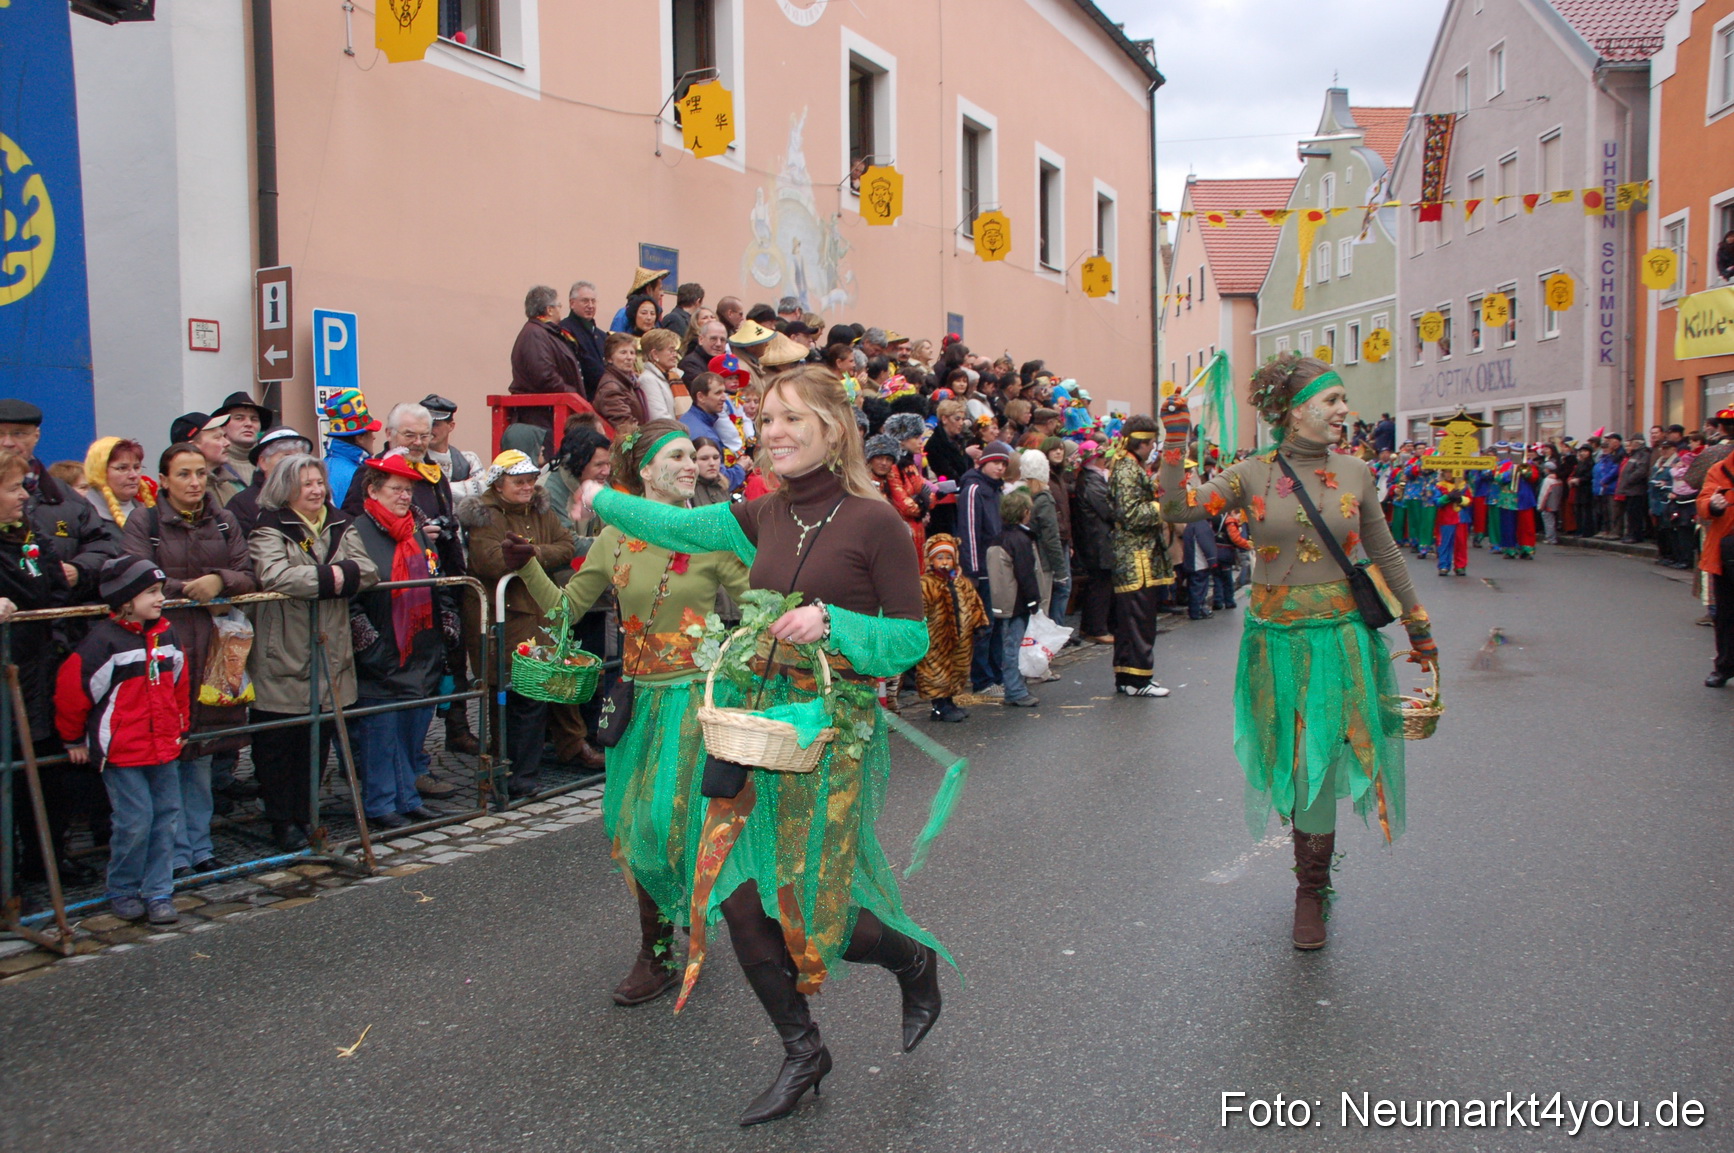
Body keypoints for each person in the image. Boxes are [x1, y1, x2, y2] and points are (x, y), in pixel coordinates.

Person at [572, 367, 950, 1126]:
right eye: (766, 417)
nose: (774, 430)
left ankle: (912, 959)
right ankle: (802, 1049)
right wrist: (601, 499)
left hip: (829, 736)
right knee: (736, 899)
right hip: (754, 726)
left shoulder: (874, 521)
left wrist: (834, 624)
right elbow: (678, 527)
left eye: (792, 418)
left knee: (812, 913)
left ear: (834, 429)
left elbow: (909, 636)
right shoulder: (765, 512)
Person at [1156, 354, 1436, 950]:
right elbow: (1179, 509)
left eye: (1342, 401)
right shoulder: (1251, 473)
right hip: (1275, 645)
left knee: (1322, 765)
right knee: (1295, 764)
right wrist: (1175, 443)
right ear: (1296, 410)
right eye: (1333, 401)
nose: (1344, 411)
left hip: (1342, 640)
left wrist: (1419, 629)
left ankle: (1311, 889)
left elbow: (1385, 554)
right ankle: (1310, 879)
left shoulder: (1357, 471)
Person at [511, 420, 749, 1000]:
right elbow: (568, 610)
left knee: (681, 825)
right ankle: (658, 949)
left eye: (694, 454)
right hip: (639, 701)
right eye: (677, 456)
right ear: (643, 471)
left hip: (696, 702)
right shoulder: (616, 535)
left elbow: (760, 605)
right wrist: (525, 566)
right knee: (638, 826)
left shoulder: (711, 534)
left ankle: (681, 932)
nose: (691, 464)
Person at [121, 443, 257, 878]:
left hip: (215, 648)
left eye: (200, 473)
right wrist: (189, 591)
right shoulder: (144, 521)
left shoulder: (223, 519)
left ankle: (198, 845)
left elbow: (247, 571)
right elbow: (137, 573)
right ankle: (170, 853)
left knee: (202, 751)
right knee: (168, 751)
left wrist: (221, 580)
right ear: (164, 480)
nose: (195, 482)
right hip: (165, 649)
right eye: (184, 474)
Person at [248, 454, 379, 850]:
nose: (316, 490)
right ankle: (280, 818)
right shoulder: (270, 527)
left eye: (318, 482)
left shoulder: (339, 523)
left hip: (330, 644)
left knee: (318, 739)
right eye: (306, 483)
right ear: (286, 488)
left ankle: (307, 815)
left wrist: (333, 577)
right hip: (283, 645)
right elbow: (274, 575)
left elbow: (368, 570)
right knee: (278, 742)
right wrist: (336, 576)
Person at [55, 557, 187, 926]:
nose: (161, 598)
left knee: (166, 818)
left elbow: (180, 685)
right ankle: (123, 887)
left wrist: (181, 726)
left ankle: (159, 890)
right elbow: (73, 692)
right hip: (122, 751)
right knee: (135, 820)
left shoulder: (167, 635)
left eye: (160, 591)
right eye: (151, 592)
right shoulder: (104, 642)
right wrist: (73, 739)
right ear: (126, 600)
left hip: (163, 745)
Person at [461, 448, 585, 796]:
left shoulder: (539, 510)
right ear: (499, 484)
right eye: (519, 482)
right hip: (504, 618)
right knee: (506, 694)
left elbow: (565, 544)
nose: (528, 487)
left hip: (538, 613)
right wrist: (534, 555)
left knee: (534, 695)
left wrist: (529, 555)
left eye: (531, 480)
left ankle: (526, 774)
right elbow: (489, 560)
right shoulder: (487, 515)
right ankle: (506, 770)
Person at [347, 456, 455, 828]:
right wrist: (371, 648)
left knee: (412, 729)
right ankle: (380, 803)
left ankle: (407, 795)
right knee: (380, 734)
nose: (405, 496)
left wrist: (445, 630)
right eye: (396, 488)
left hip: (420, 651)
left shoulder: (417, 534)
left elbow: (439, 583)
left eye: (408, 489)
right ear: (373, 491)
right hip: (381, 652)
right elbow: (352, 601)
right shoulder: (356, 533)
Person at [0, 400, 118, 601]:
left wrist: (79, 570)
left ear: (36, 436)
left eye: (19, 433)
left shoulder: (66, 497)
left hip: (57, 622)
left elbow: (105, 547)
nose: (8, 442)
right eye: (0, 434)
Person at [1107, 416, 1174, 698]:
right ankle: (1138, 680)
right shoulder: (1126, 470)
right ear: (1143, 443)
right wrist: (1162, 507)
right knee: (1138, 620)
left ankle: (1129, 677)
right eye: (1152, 443)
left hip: (1137, 555)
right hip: (1135, 557)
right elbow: (1131, 514)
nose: (1153, 449)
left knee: (1129, 621)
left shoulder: (1130, 466)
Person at [915, 534, 987, 722]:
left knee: (957, 669)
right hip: (936, 639)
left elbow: (974, 603)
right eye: (940, 558)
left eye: (948, 557)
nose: (945, 562)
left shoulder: (961, 582)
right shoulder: (926, 584)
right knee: (935, 672)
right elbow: (919, 610)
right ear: (931, 560)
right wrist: (918, 629)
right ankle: (939, 705)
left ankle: (949, 700)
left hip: (961, 637)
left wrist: (979, 623)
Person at [957, 441, 1010, 692]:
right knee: (983, 626)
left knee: (997, 623)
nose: (999, 468)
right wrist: (973, 570)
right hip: (981, 568)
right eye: (995, 462)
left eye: (1003, 464)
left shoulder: (996, 490)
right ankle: (982, 679)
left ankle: (997, 673)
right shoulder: (974, 489)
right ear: (983, 462)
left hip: (997, 567)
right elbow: (969, 532)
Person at [511, 285, 586, 431]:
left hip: (549, 415)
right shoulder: (535, 335)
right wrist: (572, 393)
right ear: (549, 310)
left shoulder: (545, 333)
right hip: (542, 419)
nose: (560, 310)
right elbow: (544, 376)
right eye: (558, 306)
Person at [995, 488, 1044, 707]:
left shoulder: (1001, 537)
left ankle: (1014, 687)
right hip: (1017, 602)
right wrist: (1034, 602)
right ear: (1024, 512)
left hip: (1003, 600)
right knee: (1014, 646)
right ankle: (1015, 690)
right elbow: (1026, 574)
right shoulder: (1020, 540)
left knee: (1009, 645)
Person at [1071, 441, 1115, 644]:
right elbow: (1108, 510)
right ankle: (1096, 628)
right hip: (1097, 540)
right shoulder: (1092, 482)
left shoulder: (1091, 479)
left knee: (1100, 584)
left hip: (1097, 539)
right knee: (1100, 585)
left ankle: (1093, 627)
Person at [1697, 448, 1734, 686]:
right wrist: (1713, 505)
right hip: (1728, 553)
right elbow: (1703, 501)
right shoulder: (1720, 469)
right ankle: (1725, 666)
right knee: (1727, 615)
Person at [1020, 450, 1065, 626]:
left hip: (1024, 560)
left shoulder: (1021, 498)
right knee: (1041, 607)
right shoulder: (1044, 500)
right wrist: (1060, 570)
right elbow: (1051, 537)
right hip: (1042, 561)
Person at [680, 374, 746, 492]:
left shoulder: (688, 419)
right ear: (701, 397)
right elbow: (720, 481)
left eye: (724, 392)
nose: (724, 398)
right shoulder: (704, 435)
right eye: (718, 393)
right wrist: (741, 468)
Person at [866, 433, 924, 565]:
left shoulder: (892, 481)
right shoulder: (862, 483)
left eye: (888, 459)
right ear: (870, 459)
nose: (884, 463)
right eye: (879, 458)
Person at [319, 388, 381, 512]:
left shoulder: (333, 464)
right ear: (359, 438)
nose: (374, 437)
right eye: (370, 432)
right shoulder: (349, 472)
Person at [84, 437, 155, 538]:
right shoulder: (81, 516)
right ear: (99, 472)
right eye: (122, 468)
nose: (133, 475)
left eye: (137, 467)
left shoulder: (146, 512)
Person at [172, 412, 246, 506]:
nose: (227, 443)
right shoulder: (181, 492)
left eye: (224, 436)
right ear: (192, 446)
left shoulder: (229, 486)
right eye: (217, 438)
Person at [423, 394, 486, 501]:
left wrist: (440, 488)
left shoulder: (468, 459)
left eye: (435, 424)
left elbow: (484, 489)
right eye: (425, 424)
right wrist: (466, 487)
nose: (429, 430)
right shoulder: (415, 458)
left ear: (451, 426)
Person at [211, 391, 274, 486]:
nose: (249, 424)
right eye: (239, 418)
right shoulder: (213, 464)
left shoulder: (271, 463)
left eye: (254, 419)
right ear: (223, 426)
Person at [593, 332, 652, 433]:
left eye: (632, 353)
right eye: (623, 352)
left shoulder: (629, 381)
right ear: (609, 358)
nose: (629, 357)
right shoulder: (611, 388)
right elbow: (626, 425)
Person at [559, 280, 609, 396]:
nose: (590, 306)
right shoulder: (565, 330)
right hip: (582, 396)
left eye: (593, 301)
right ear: (572, 303)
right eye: (585, 301)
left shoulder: (602, 335)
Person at [637, 329, 682, 421]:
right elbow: (660, 418)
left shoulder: (674, 376)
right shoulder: (648, 380)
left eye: (675, 351)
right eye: (671, 351)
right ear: (655, 354)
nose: (675, 355)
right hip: (669, 433)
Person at [610, 267, 668, 333]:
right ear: (649, 289)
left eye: (652, 314)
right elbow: (615, 340)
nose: (662, 293)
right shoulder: (623, 315)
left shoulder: (656, 318)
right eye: (660, 289)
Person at [681, 318, 729, 384]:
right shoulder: (690, 364)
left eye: (722, 340)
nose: (718, 344)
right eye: (713, 339)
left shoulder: (728, 362)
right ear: (701, 340)